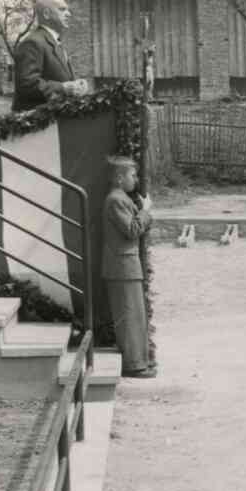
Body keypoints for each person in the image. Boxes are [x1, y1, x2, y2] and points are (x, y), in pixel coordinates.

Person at [102, 156, 155, 379]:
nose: (136, 179)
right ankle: (134, 365)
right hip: (122, 266)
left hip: (125, 266)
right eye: (132, 175)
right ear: (119, 178)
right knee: (130, 316)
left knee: (134, 315)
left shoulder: (120, 198)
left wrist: (142, 210)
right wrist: (146, 211)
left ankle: (139, 361)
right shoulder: (116, 199)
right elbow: (132, 230)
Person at [12, 0, 90, 112]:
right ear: (47, 14)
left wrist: (76, 85)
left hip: (56, 121)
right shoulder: (32, 43)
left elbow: (60, 79)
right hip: (38, 125)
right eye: (62, 10)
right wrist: (63, 88)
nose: (69, 14)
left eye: (67, 10)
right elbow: (27, 85)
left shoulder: (55, 42)